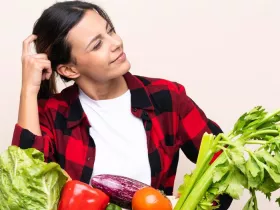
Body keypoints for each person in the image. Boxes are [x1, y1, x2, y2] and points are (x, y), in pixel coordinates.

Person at [12, 1, 232, 209]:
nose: (116, 42)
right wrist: (28, 91)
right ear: (69, 70)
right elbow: (26, 191)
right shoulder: (52, 113)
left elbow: (226, 164)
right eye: (97, 44)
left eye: (110, 31)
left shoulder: (166, 98)